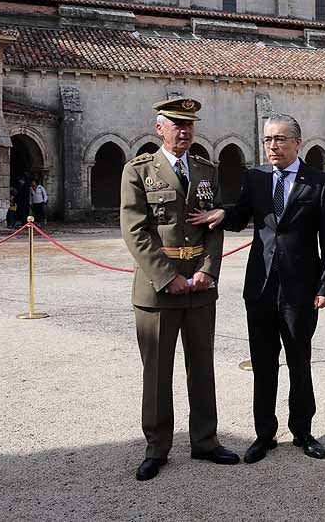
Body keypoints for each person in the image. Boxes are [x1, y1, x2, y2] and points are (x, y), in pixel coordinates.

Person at [188, 114, 325, 464]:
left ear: (297, 143)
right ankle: (264, 435)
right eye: (268, 139)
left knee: (300, 362)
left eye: (281, 139)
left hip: (301, 289)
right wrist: (220, 215)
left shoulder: (319, 182)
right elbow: (242, 216)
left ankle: (303, 432)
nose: (273, 145)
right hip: (260, 287)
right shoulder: (255, 178)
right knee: (263, 363)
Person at [119, 97, 239, 481]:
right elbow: (135, 231)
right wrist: (167, 275)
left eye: (189, 125)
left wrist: (208, 270)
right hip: (158, 289)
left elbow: (214, 223)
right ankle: (157, 447)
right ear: (160, 128)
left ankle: (205, 440)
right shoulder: (138, 171)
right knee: (157, 371)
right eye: (176, 124)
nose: (184, 131)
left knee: (202, 366)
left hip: (201, 286)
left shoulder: (206, 170)